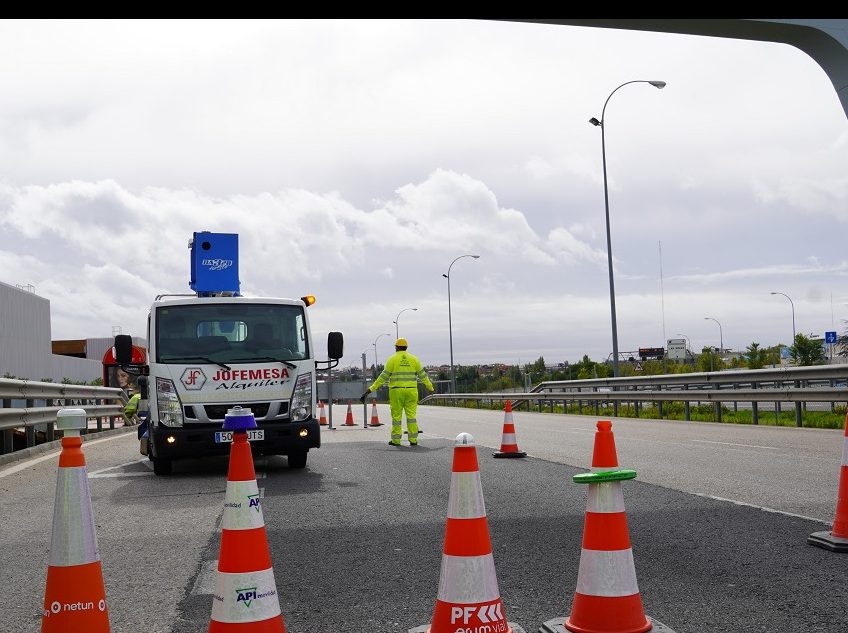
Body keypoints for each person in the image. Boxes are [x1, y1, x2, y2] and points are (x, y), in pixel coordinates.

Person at [361, 338, 434, 446]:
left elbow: (382, 378)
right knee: (411, 416)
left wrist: (369, 390)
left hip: (396, 392)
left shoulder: (392, 359)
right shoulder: (414, 359)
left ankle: (396, 440)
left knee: (396, 417)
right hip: (411, 391)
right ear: (406, 347)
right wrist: (430, 388)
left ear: (396, 347)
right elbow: (423, 375)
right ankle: (413, 440)